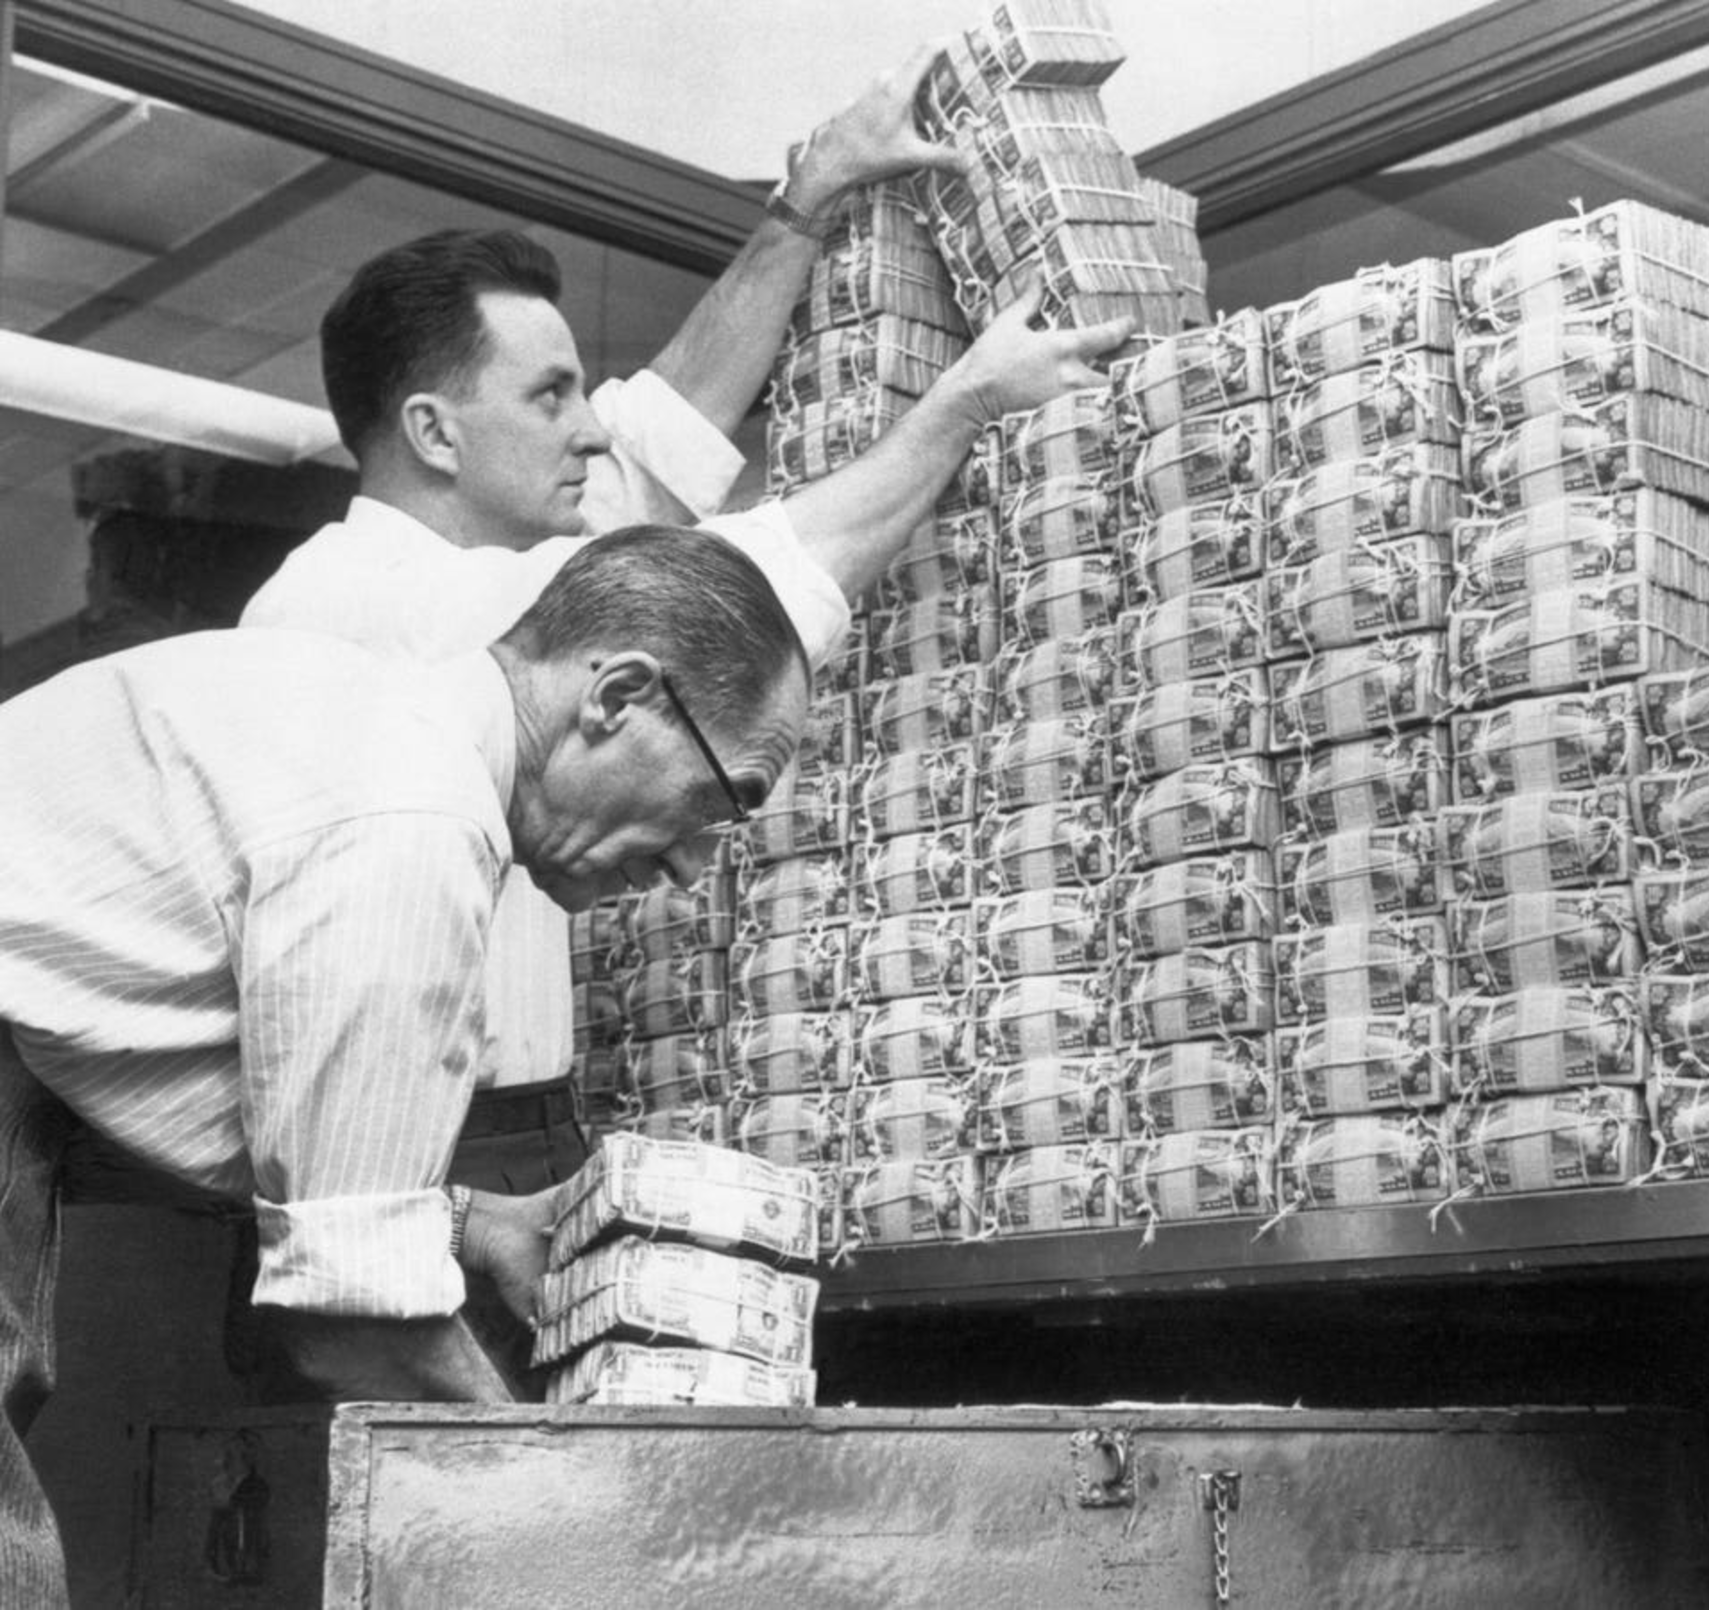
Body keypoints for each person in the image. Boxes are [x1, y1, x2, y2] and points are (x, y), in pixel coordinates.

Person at [242, 184, 1128, 1203]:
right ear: (435, 434)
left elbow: (651, 452)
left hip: (523, 1117)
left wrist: (807, 207)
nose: (589, 431)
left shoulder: (471, 579)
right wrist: (966, 401)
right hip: (403, 1133)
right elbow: (751, 581)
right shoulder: (372, 601)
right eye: (550, 397)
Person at [0, 525, 806, 1605]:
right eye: (719, 801)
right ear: (617, 696)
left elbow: (138, 1072)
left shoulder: (361, 718)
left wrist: (461, 1222)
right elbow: (351, 1323)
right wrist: (577, 1514)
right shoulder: (410, 818)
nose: (694, 865)